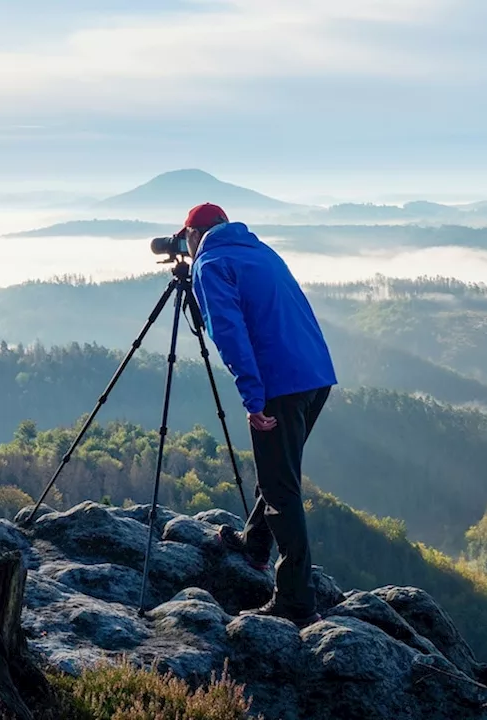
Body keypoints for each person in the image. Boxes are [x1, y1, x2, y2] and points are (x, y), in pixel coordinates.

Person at [174, 201, 338, 628]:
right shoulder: (261, 250)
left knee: (281, 490)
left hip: (279, 385)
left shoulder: (211, 264)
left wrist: (253, 398)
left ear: (193, 236)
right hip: (315, 376)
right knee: (277, 471)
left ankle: (296, 601)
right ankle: (254, 546)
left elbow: (230, 334)